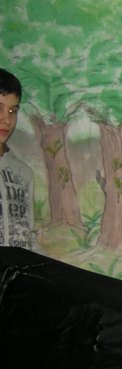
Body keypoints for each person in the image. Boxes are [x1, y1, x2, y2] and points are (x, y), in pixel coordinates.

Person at [0, 68, 36, 250]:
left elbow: (30, 236)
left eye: (12, 110)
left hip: (18, 268)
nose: (6, 119)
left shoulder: (23, 173)